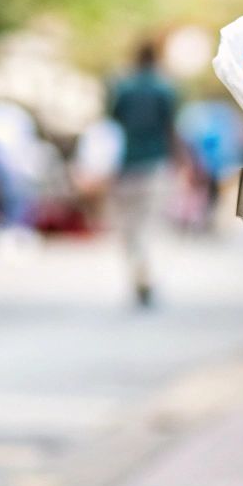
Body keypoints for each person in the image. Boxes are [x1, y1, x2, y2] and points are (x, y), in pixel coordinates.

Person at [108, 41, 178, 307]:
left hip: (127, 164)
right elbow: (171, 128)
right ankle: (146, 275)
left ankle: (138, 273)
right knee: (150, 224)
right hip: (156, 164)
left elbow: (112, 125)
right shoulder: (164, 89)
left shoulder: (122, 89)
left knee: (129, 226)